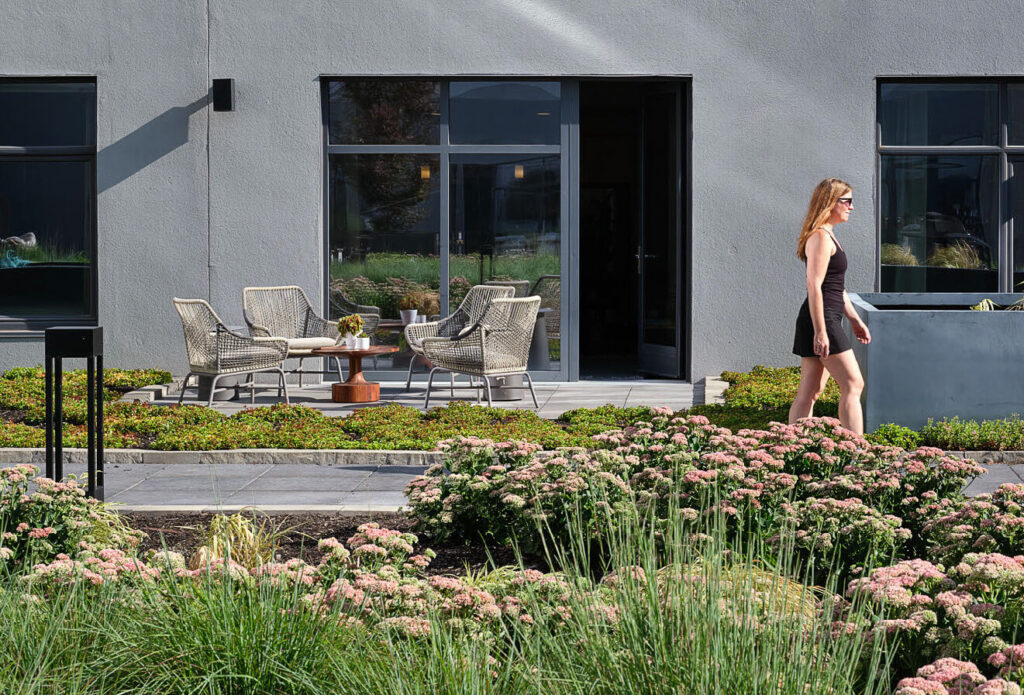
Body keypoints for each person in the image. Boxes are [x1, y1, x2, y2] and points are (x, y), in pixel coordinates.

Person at [788, 178, 871, 434]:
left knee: (811, 391)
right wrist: (821, 331)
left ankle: (792, 445)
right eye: (847, 201)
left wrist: (855, 320)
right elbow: (814, 285)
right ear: (830, 202)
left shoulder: (829, 235)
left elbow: (836, 287)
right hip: (822, 319)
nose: (851, 207)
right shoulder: (821, 238)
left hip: (826, 317)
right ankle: (856, 450)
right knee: (853, 384)